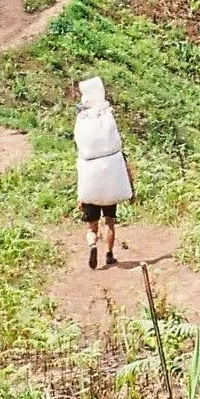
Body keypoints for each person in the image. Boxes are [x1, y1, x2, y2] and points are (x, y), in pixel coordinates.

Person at [74, 75, 135, 269]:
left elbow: (81, 173)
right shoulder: (115, 154)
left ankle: (92, 244)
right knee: (109, 222)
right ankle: (109, 255)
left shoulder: (87, 156)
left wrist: (80, 196)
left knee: (92, 227)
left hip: (90, 187)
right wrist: (131, 189)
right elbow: (126, 170)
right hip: (111, 185)